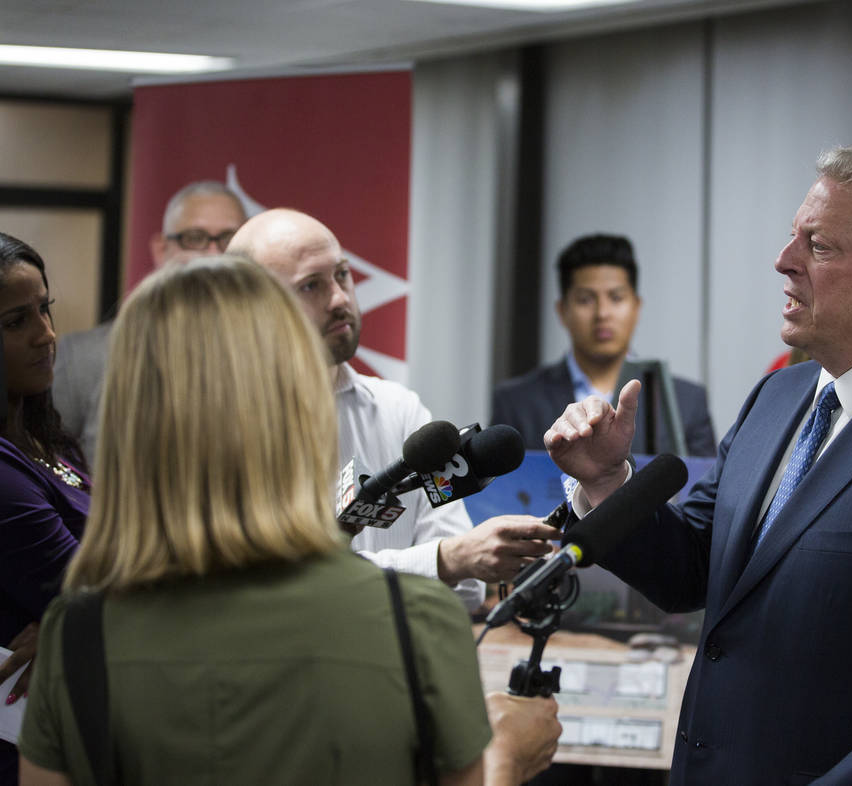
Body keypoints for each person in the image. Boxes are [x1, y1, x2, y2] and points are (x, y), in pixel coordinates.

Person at [544, 145, 852, 784]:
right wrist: (607, 480)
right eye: (792, 238)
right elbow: (693, 568)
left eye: (819, 245)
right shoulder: (778, 396)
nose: (784, 262)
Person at [17, 257, 561, 786]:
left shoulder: (75, 636)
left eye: (343, 275)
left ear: (128, 417)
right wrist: (506, 759)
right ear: (299, 404)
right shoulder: (417, 623)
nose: (340, 296)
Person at [228, 210, 560, 611]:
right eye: (311, 285)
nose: (339, 298)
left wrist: (450, 563)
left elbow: (469, 587)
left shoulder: (399, 411)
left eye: (342, 274)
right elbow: (276, 588)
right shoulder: (224, 424)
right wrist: (441, 562)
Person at [51, 180, 247, 465]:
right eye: (195, 238)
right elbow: (44, 473)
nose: (214, 255)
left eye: (229, 238)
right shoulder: (82, 359)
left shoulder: (275, 356)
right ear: (160, 249)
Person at [491, 233, 716, 456]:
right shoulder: (515, 403)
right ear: (562, 311)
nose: (602, 313)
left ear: (636, 307)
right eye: (585, 300)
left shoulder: (686, 403)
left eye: (616, 298)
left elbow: (705, 489)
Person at [0, 232, 89, 786]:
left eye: (45, 309)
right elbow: (98, 593)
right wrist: (73, 612)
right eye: (16, 322)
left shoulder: (45, 437)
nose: (47, 335)